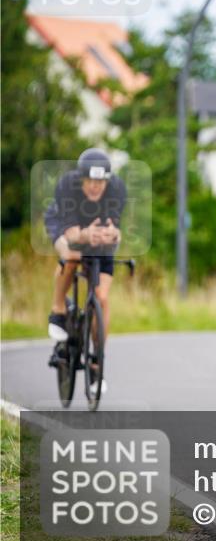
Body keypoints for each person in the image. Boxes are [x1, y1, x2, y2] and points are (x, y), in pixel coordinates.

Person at [44, 148, 126, 374]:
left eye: (100, 182)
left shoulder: (117, 189)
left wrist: (113, 234)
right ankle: (58, 309)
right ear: (81, 178)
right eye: (90, 180)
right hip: (66, 225)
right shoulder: (67, 186)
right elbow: (71, 235)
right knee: (70, 256)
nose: (94, 186)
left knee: (102, 296)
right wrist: (84, 236)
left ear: (107, 182)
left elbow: (115, 228)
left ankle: (97, 360)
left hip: (95, 231)